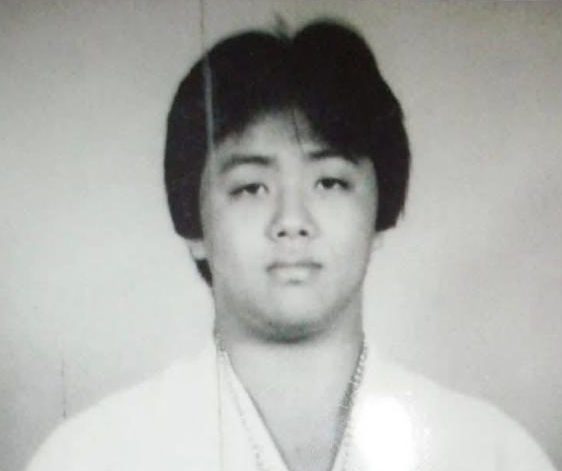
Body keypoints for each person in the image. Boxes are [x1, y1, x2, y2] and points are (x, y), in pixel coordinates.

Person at [26, 20, 555, 471]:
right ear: (193, 226)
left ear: (379, 214)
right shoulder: (91, 455)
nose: (292, 221)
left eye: (330, 182)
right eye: (251, 188)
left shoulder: (492, 454)